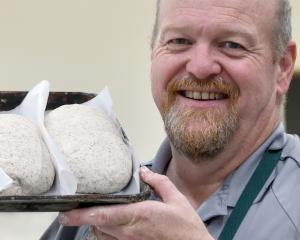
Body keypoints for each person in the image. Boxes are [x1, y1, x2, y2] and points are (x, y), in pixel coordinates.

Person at [41, 0, 299, 239]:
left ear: (283, 67)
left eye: (232, 44)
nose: (199, 67)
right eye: (179, 40)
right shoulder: (99, 207)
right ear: (153, 52)